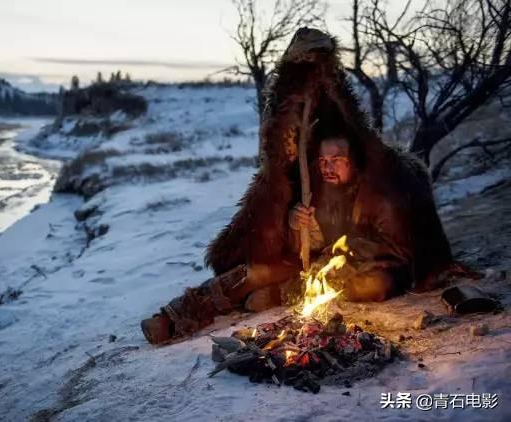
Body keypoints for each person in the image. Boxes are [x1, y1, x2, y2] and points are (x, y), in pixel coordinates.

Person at [141, 27, 455, 345]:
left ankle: (279, 294)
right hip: (307, 269)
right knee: (252, 273)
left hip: (355, 273)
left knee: (374, 284)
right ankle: (174, 318)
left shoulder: (379, 189)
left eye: (337, 160)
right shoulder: (317, 185)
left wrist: (338, 258)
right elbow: (301, 244)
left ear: (353, 159)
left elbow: (398, 251)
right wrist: (295, 225)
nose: (328, 167)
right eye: (323, 161)